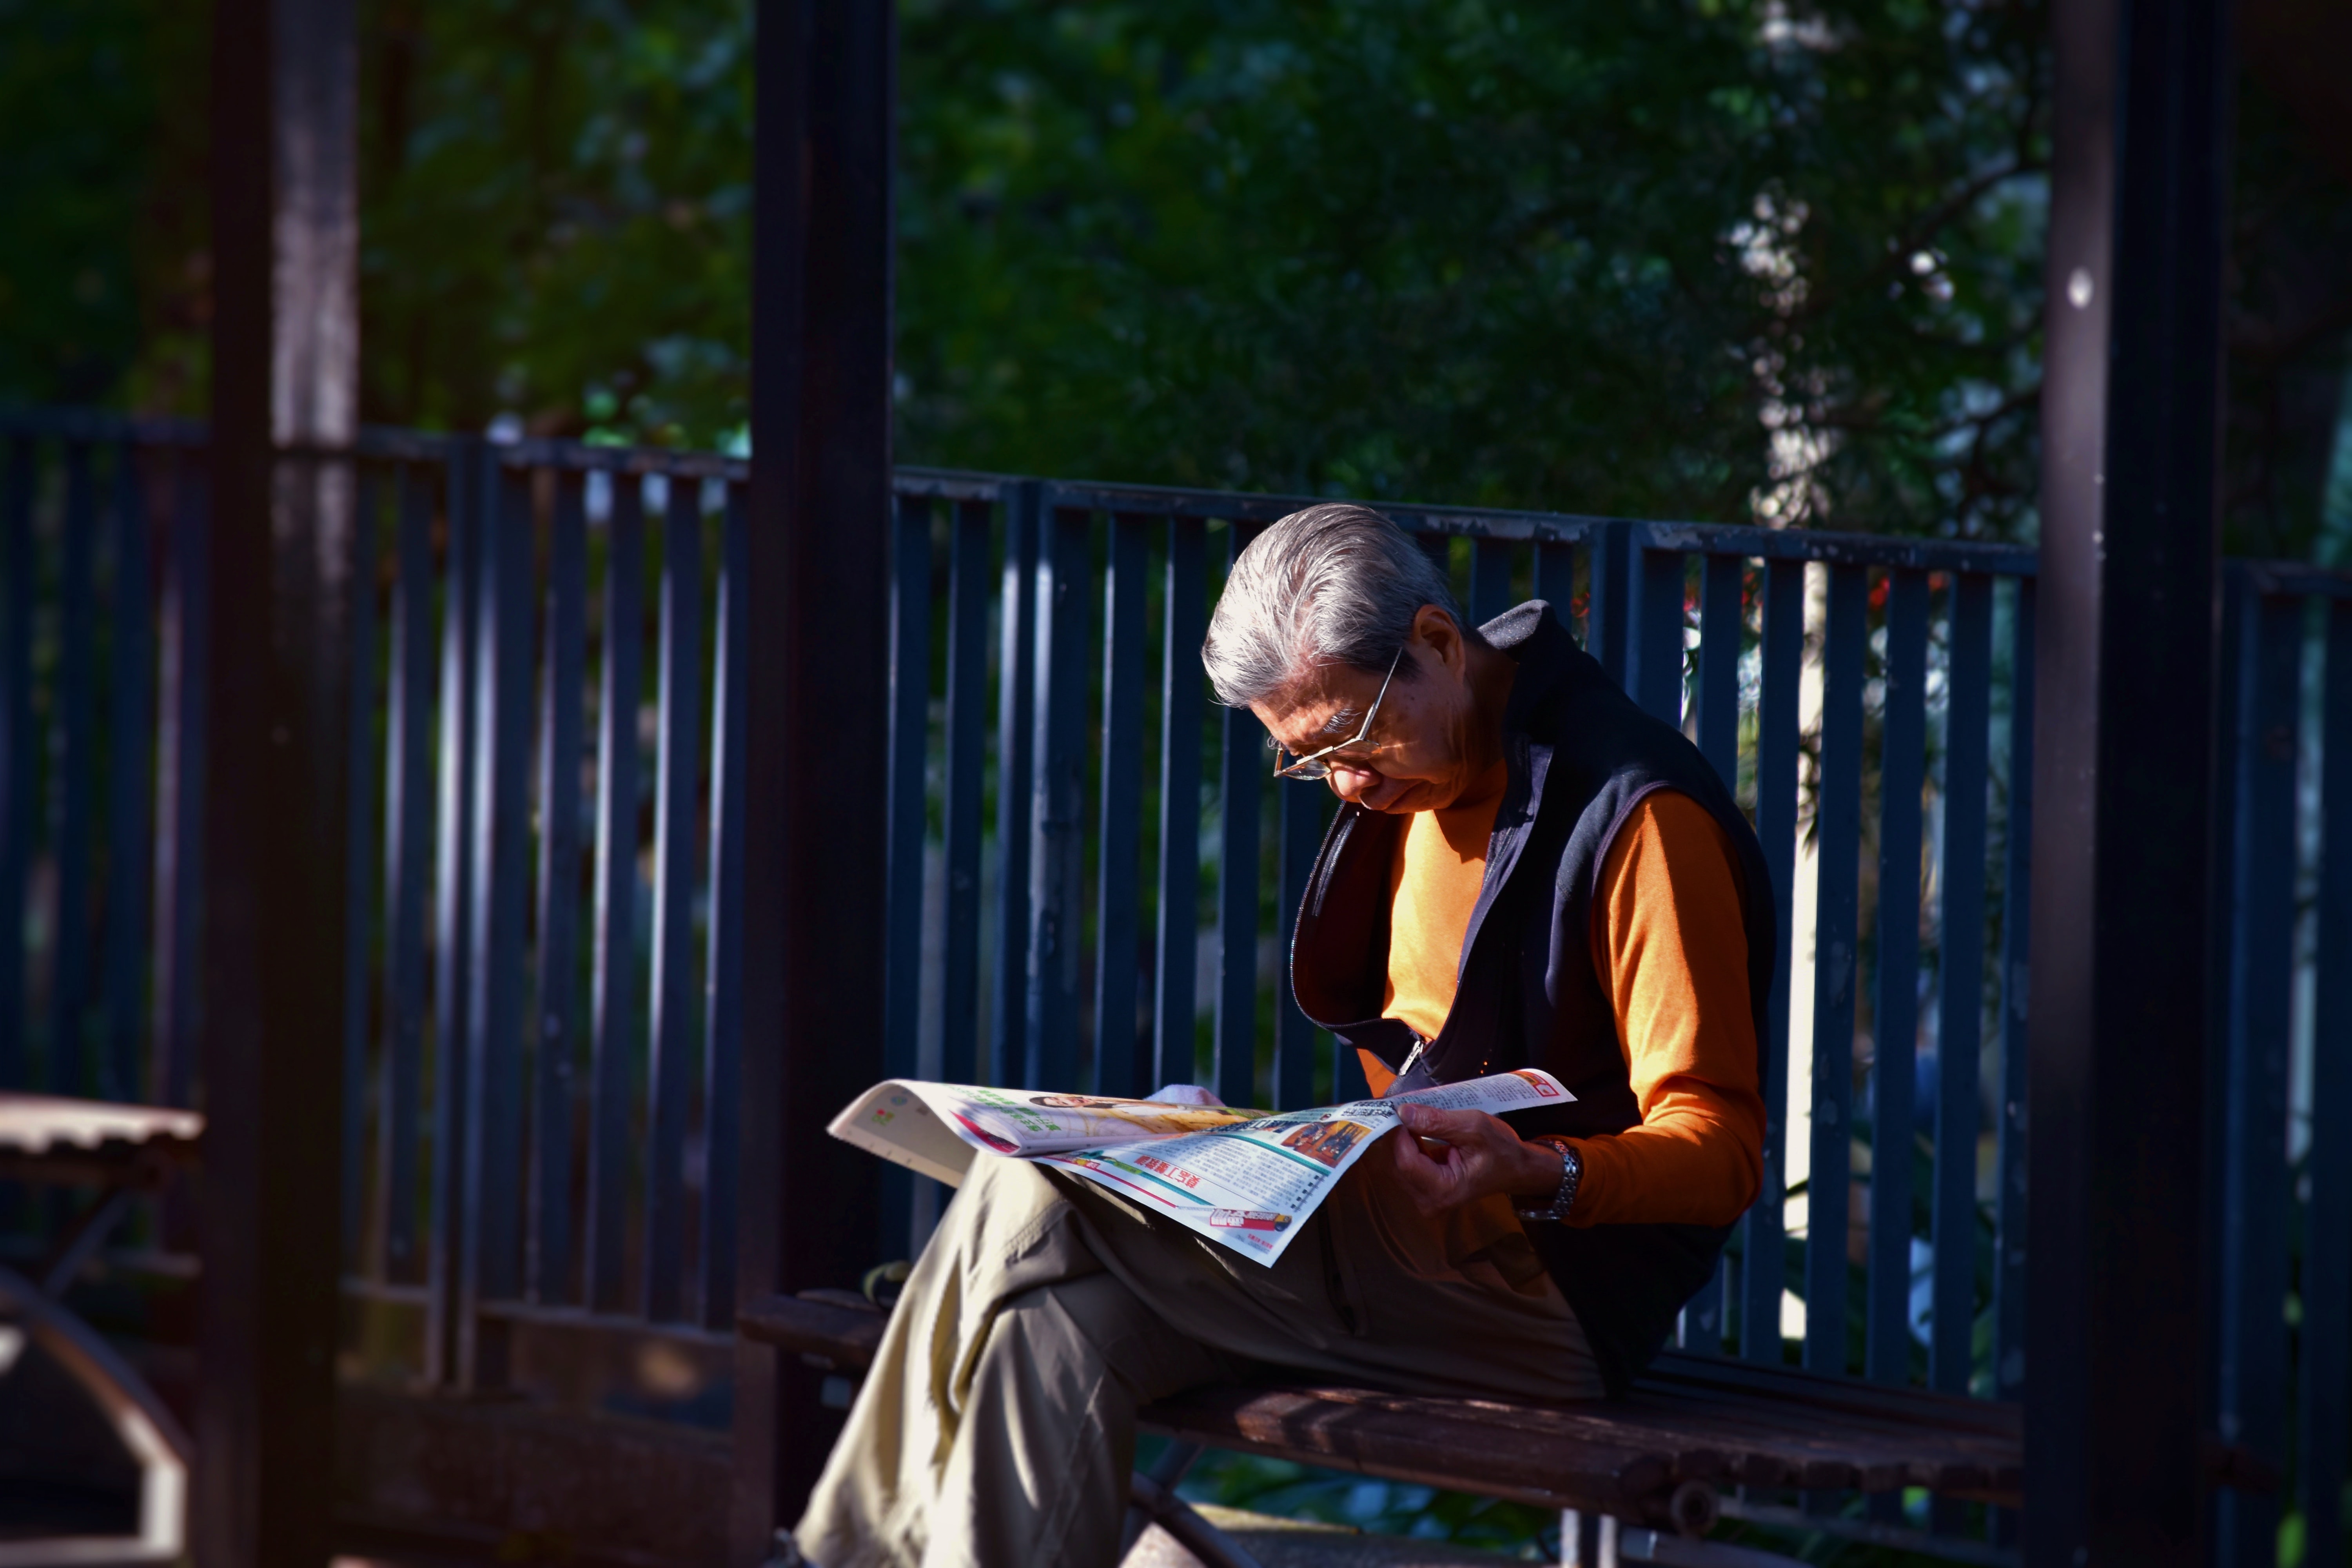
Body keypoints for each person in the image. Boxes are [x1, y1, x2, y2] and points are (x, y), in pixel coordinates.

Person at [788, 504, 1773, 1568]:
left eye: (1350, 739)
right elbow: (1410, 1077)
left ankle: (826, 1562)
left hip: (1543, 1297)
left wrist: (1540, 1170)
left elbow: (1721, 1148)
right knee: (1054, 1327)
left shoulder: (1637, 818)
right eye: (1307, 762)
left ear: (1439, 646)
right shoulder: (1418, 779)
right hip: (1385, 1253)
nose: (1345, 784)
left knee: (1029, 1192)